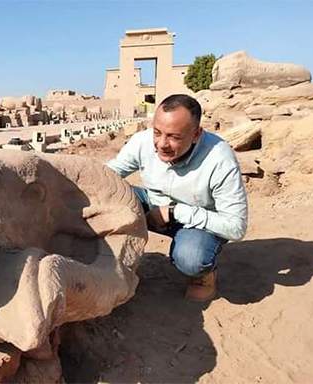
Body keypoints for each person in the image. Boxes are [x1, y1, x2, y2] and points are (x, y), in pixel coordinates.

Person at [106, 94, 248, 302]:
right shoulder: (143, 142)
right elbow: (107, 175)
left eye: (174, 137)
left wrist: (174, 212)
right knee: (106, 194)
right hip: (153, 204)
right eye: (157, 132)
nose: (161, 144)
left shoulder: (219, 159)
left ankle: (204, 276)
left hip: (198, 221)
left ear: (196, 134)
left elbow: (236, 226)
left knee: (192, 259)